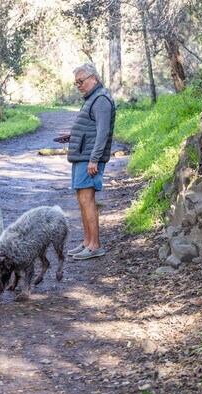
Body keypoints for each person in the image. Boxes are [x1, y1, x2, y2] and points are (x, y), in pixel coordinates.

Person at [58, 63, 116, 260]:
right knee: (81, 200)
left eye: (81, 81)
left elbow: (103, 132)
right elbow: (90, 128)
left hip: (89, 159)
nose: (79, 86)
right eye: (76, 83)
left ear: (94, 78)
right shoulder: (92, 98)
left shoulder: (101, 100)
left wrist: (94, 159)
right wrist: (73, 135)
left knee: (87, 201)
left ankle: (95, 245)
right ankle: (87, 242)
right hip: (82, 156)